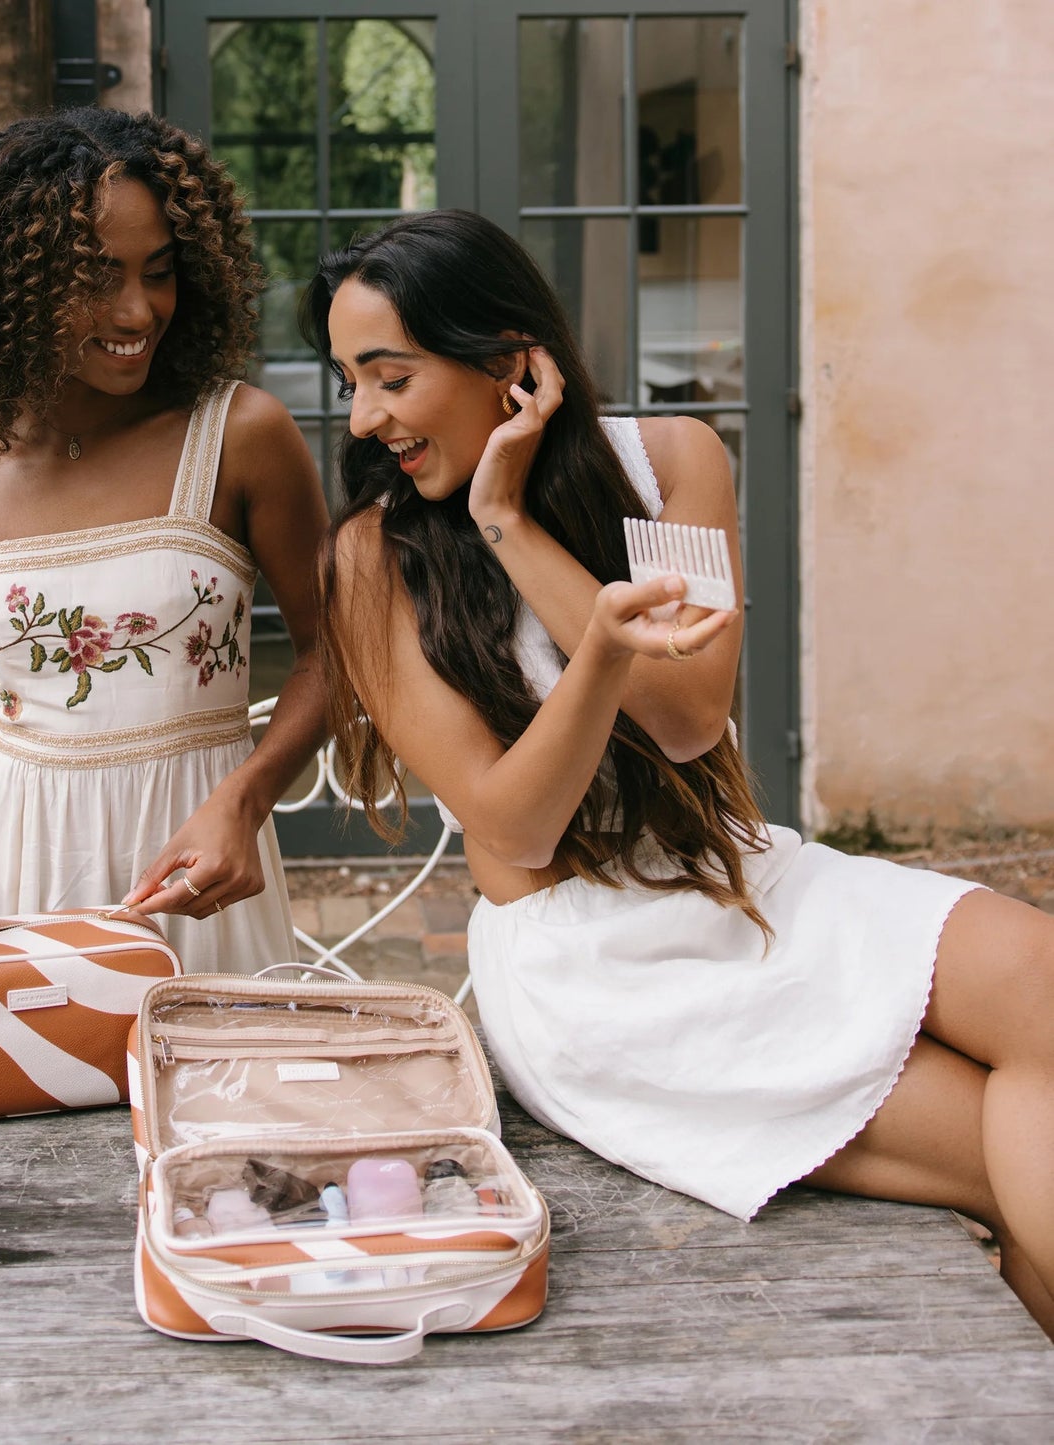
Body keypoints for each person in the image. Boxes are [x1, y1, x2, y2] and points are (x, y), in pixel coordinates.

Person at [300, 209, 1054, 1334]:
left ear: (508, 362)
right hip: (596, 969)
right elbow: (512, 828)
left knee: (1038, 978)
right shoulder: (371, 558)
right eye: (350, 381)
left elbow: (693, 716)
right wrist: (597, 648)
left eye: (389, 376)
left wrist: (507, 520)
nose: (365, 418)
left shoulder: (670, 464)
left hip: (742, 880)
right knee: (1000, 1158)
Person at [0, 107, 327, 974]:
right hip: (15, 867)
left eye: (159, 271)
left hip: (190, 866)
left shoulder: (240, 434)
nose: (137, 309)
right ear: (8, 286)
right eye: (95, 277)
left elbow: (339, 654)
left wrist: (244, 803)